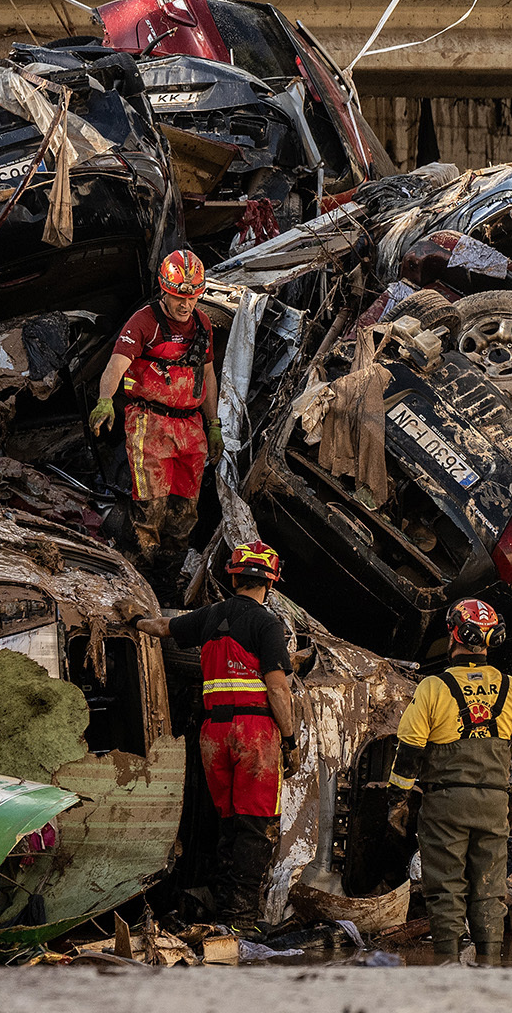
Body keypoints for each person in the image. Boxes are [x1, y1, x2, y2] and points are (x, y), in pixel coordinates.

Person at [136, 541, 300, 932]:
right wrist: (290, 739)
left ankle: (222, 910)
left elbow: (160, 628)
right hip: (254, 733)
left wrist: (135, 619)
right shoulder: (267, 624)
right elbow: (277, 689)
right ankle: (240, 919)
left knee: (227, 822)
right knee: (255, 825)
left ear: (233, 577)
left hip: (213, 733)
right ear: (271, 583)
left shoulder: (209, 616)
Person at [387, 599, 512, 959]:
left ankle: (448, 965)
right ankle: (488, 963)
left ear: (453, 633)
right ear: (491, 638)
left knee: (445, 889)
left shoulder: (432, 688)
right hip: (493, 805)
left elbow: (408, 751)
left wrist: (398, 801)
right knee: (489, 887)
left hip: (445, 806)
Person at [90, 248, 223, 582]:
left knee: (185, 511)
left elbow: (207, 375)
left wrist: (214, 425)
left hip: (190, 426)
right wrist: (105, 399)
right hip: (151, 423)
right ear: (164, 290)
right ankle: (136, 577)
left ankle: (168, 577)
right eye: (179, 297)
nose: (185, 304)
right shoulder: (144, 322)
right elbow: (115, 365)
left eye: (192, 297)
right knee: (150, 507)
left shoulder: (202, 323)